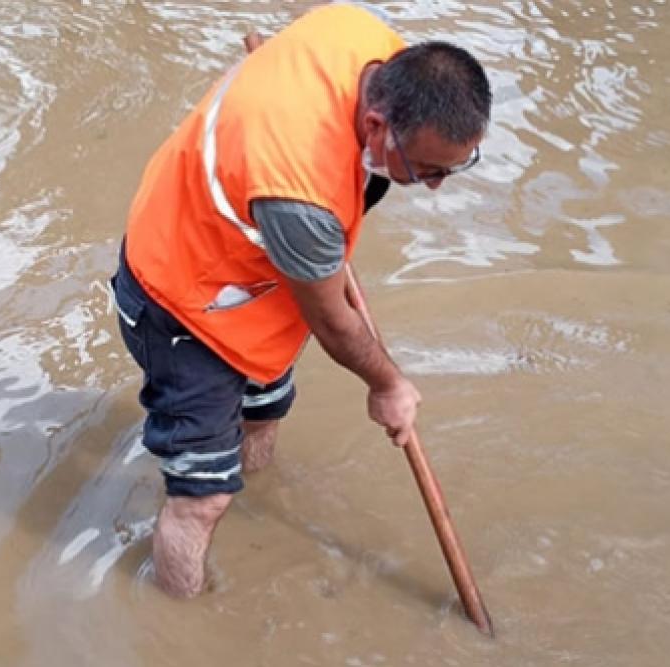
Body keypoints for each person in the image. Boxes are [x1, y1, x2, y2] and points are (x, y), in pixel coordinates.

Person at [110, 3, 491, 598]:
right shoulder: (299, 193)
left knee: (266, 409)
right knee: (202, 498)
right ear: (374, 125)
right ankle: (178, 619)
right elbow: (334, 321)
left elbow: (305, 25)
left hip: (256, 283)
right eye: (427, 170)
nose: (437, 187)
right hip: (185, 301)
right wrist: (388, 385)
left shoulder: (356, 31)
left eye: (455, 168)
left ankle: (254, 501)